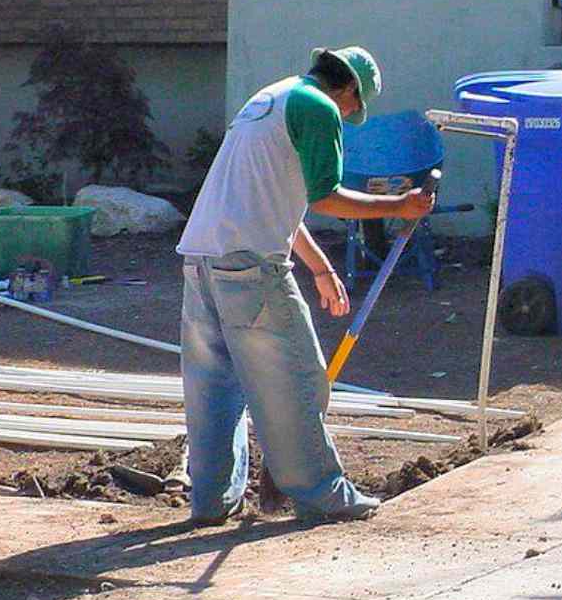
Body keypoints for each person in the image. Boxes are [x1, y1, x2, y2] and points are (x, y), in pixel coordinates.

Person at [176, 46, 434, 526]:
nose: (354, 114)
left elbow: (274, 202)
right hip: (251, 267)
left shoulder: (270, 99)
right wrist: (400, 205)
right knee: (298, 377)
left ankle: (210, 502)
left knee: (213, 388)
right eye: (357, 105)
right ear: (349, 89)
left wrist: (319, 267)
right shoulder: (318, 108)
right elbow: (327, 198)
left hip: (201, 259)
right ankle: (322, 494)